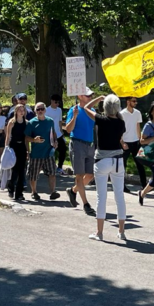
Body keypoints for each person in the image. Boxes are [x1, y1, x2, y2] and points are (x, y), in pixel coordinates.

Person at [82, 94, 127, 241]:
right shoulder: (121, 122)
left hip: (102, 160)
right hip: (118, 161)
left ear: (105, 107)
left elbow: (86, 107)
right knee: (119, 196)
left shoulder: (101, 120)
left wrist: (98, 99)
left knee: (102, 197)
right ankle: (121, 231)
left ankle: (99, 233)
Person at [65, 87, 97, 216]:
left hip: (90, 145)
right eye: (87, 95)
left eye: (90, 95)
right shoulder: (74, 110)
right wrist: (75, 116)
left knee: (90, 175)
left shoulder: (92, 110)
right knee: (79, 175)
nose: (90, 97)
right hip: (77, 144)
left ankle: (73, 191)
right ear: (80, 96)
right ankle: (86, 204)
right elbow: (68, 129)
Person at [25, 102, 60, 201]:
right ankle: (34, 192)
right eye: (38, 109)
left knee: (52, 172)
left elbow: (53, 133)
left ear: (45, 110)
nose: (40, 111)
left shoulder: (50, 121)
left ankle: (53, 192)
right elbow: (26, 137)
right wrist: (34, 140)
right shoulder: (32, 123)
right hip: (36, 153)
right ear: (35, 111)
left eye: (42, 109)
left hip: (49, 152)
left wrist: (55, 141)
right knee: (33, 174)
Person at [120, 96, 144, 192]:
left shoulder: (137, 113)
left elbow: (138, 126)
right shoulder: (122, 114)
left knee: (140, 164)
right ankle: (122, 186)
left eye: (136, 101)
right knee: (123, 166)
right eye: (134, 101)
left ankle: (144, 185)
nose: (135, 103)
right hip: (125, 142)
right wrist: (122, 142)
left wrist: (140, 139)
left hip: (136, 143)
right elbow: (120, 129)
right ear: (128, 102)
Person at [4, 104, 28, 201]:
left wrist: (28, 151)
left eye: (23, 110)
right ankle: (11, 187)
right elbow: (8, 136)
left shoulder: (26, 123)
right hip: (14, 147)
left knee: (22, 171)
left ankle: (19, 193)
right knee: (15, 170)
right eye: (19, 110)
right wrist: (6, 147)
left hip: (22, 147)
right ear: (16, 112)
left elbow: (26, 139)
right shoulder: (12, 122)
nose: (21, 112)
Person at [47, 94, 67, 175]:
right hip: (50, 134)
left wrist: (62, 132)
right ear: (51, 101)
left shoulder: (59, 110)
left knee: (63, 150)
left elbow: (59, 121)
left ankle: (60, 167)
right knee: (51, 151)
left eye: (58, 102)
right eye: (55, 102)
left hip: (58, 134)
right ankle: (50, 167)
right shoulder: (47, 110)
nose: (57, 104)